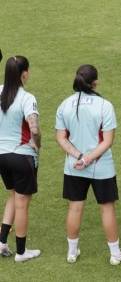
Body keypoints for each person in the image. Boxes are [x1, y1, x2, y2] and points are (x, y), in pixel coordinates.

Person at [55, 65, 121, 265]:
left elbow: (61, 138)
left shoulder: (64, 104)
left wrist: (79, 156)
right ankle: (115, 255)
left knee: (75, 208)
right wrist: (88, 159)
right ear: (95, 82)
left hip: (73, 166)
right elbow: (107, 141)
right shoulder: (105, 105)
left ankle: (72, 253)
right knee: (107, 209)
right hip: (101, 167)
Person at [0, 56, 41, 261]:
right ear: (24, 73)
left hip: (2, 156)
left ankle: (1, 242)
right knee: (22, 202)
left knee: (14, 195)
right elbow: (33, 127)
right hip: (21, 155)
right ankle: (22, 252)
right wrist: (37, 143)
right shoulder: (27, 97)